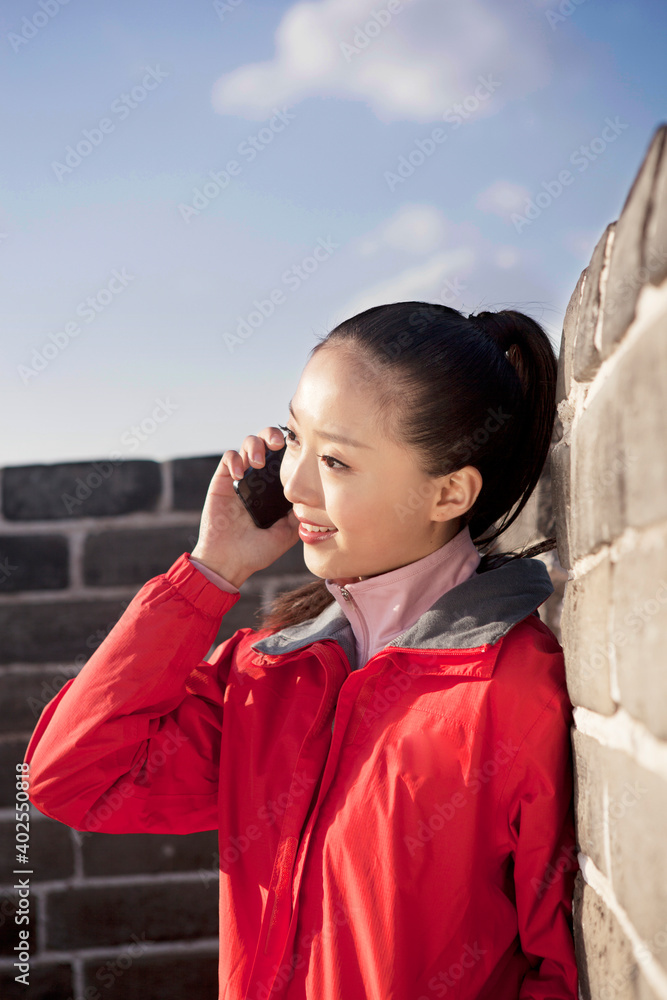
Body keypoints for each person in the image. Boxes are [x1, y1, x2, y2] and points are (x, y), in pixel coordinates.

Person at [25, 301, 579, 999]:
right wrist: (207, 574)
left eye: (337, 461)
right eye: (295, 438)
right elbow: (72, 780)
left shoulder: (511, 689)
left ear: (446, 493)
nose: (293, 484)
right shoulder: (264, 675)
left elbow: (558, 971)